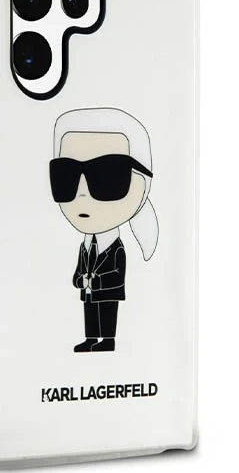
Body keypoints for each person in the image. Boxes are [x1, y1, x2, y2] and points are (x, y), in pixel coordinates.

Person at [50, 107, 159, 352]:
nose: (82, 192)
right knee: (90, 313)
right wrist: (79, 279)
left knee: (107, 314)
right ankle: (91, 338)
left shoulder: (116, 248)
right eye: (65, 176)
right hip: (89, 291)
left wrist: (96, 281)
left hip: (107, 292)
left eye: (109, 176)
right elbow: (79, 268)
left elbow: (118, 273)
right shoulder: (85, 245)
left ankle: (108, 340)